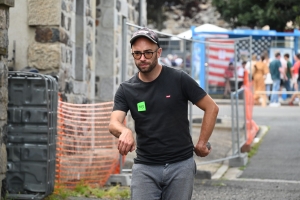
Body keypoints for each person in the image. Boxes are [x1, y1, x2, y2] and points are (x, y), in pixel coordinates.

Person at [108, 27, 219, 200]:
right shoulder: (126, 89)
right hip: (145, 167)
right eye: (137, 54)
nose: (142, 58)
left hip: (180, 165)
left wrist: (202, 143)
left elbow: (211, 107)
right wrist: (125, 131)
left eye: (148, 53)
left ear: (159, 52)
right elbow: (114, 122)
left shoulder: (179, 79)